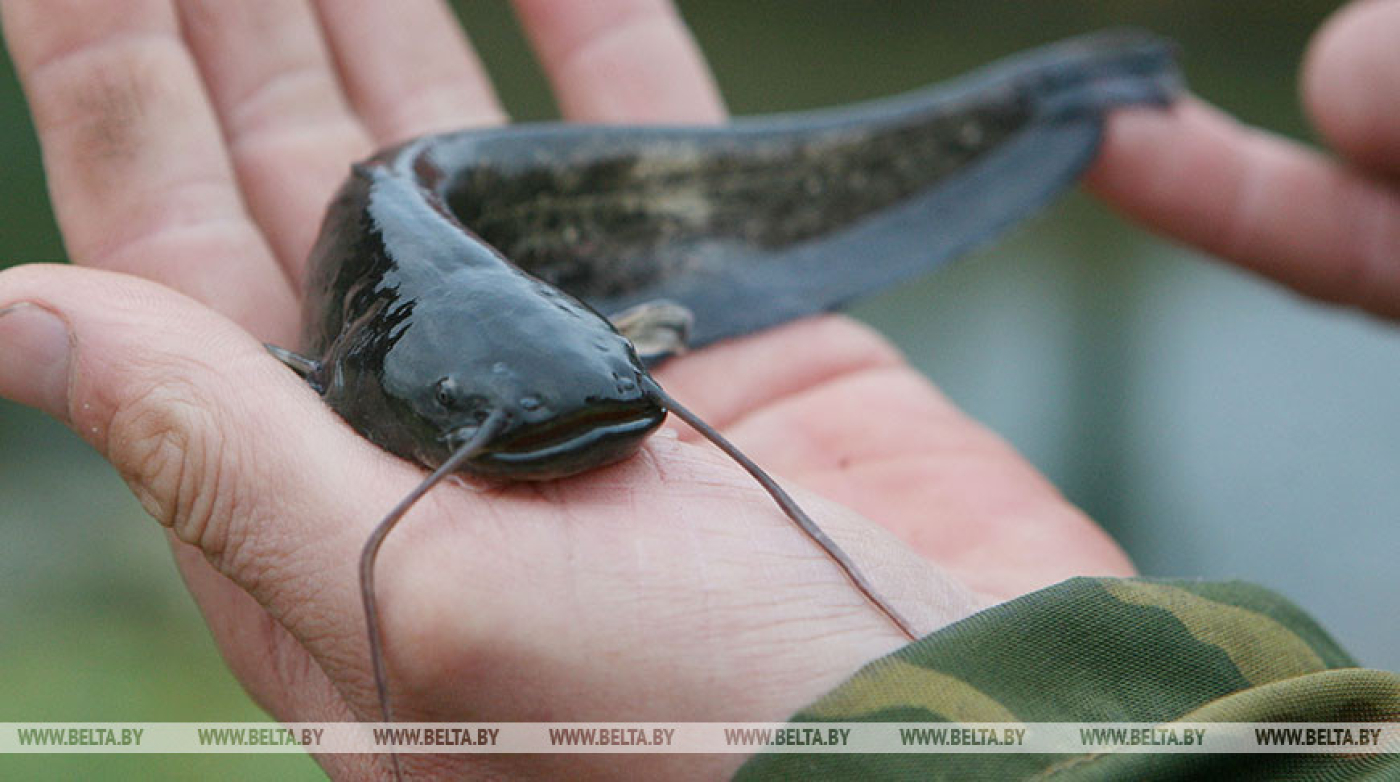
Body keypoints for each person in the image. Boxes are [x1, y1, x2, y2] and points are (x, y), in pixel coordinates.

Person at [0, 0, 1394, 779]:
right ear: (339, 372)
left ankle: (1049, 101)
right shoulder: (364, 337)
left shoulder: (541, 341)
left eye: (622, 359)